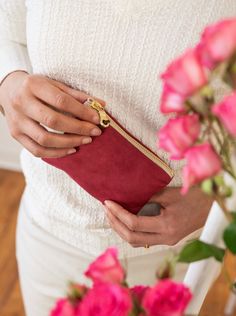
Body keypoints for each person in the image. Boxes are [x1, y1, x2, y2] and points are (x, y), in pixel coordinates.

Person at [0, 1, 235, 315]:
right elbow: (6, 25)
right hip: (49, 234)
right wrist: (8, 82)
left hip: (176, 257)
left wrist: (218, 201)